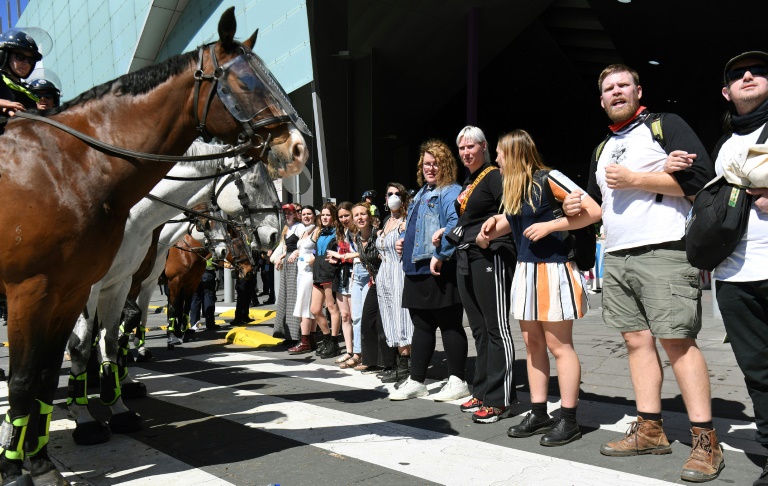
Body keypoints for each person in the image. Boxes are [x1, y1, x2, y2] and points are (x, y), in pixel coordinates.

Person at [568, 64, 721, 482]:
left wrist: (637, 178)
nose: (616, 92)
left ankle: (706, 440)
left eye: (623, 85)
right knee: (636, 342)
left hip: (664, 248)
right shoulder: (603, 147)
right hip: (616, 254)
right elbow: (600, 208)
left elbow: (703, 182)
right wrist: (572, 212)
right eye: (608, 88)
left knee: (677, 342)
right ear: (601, 100)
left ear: (638, 90)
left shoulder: (664, 125)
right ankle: (650, 428)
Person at [477, 130, 601, 446]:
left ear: (515, 153)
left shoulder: (549, 177)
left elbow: (594, 211)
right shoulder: (515, 188)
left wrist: (552, 225)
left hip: (554, 270)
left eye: (501, 154)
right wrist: (491, 227)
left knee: (560, 346)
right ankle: (539, 412)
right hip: (526, 271)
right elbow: (513, 221)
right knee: (533, 345)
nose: (497, 160)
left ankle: (570, 420)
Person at [701, 51, 768, 486]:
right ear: (726, 92)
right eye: (737, 75)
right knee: (758, 371)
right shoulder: (725, 146)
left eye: (759, 71)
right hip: (735, 273)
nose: (748, 75)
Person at [388, 140, 469, 402]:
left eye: (435, 163)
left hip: (438, 267)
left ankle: (458, 380)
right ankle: (417, 380)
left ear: (445, 164)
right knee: (421, 327)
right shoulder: (422, 192)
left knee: (449, 324)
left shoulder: (449, 191)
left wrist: (441, 254)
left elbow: (456, 225)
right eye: (426, 164)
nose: (429, 168)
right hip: (416, 268)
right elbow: (419, 228)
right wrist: (405, 241)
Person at [450, 126, 517, 424]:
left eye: (471, 147)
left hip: (491, 254)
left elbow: (511, 211)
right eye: (462, 148)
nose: (466, 152)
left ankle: (499, 399)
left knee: (495, 327)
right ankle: (482, 390)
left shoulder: (493, 175)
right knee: (478, 328)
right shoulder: (470, 180)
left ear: (484, 147)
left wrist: (487, 234)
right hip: (467, 255)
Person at [375, 183, 414, 384]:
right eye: (389, 193)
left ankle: (405, 364)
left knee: (402, 318)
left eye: (397, 193)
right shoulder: (386, 221)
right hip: (384, 274)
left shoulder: (405, 221)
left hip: (399, 272)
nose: (393, 197)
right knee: (389, 316)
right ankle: (399, 360)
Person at [309, 203, 343, 358]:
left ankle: (334, 342)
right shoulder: (320, 233)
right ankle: (327, 337)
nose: (324, 217)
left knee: (331, 308)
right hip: (317, 274)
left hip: (329, 274)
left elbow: (341, 252)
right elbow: (317, 251)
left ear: (333, 217)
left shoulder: (337, 233)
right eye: (322, 215)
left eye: (327, 215)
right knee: (315, 309)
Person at [326, 202, 356, 366]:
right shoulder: (342, 232)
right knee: (345, 316)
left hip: (354, 276)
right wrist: (336, 259)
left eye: (346, 215)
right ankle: (349, 351)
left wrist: (339, 256)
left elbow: (357, 255)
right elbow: (345, 256)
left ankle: (359, 352)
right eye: (341, 216)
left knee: (355, 317)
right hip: (342, 276)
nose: (344, 219)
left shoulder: (356, 231)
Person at [272, 203, 305, 342]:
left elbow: (304, 245)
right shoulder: (287, 229)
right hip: (287, 262)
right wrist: (281, 257)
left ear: (295, 214)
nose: (287, 215)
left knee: (293, 297)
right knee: (284, 296)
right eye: (285, 213)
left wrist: (295, 254)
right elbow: (287, 248)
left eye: (289, 213)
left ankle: (295, 334)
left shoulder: (300, 227)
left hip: (296, 264)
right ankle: (285, 333)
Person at [287, 206, 318, 354]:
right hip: (301, 271)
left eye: (309, 214)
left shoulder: (316, 230)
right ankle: (310, 340)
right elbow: (303, 247)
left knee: (303, 306)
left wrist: (312, 256)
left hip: (309, 273)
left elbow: (317, 249)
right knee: (307, 306)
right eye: (304, 214)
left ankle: (305, 341)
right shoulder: (305, 231)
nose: (306, 216)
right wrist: (295, 252)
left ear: (314, 215)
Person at [0, 29, 43, 113]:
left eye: (31, 60)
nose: (26, 63)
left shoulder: (29, 92)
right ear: (4, 55)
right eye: (20, 57)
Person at [189, 256, 218, 330]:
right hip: (208, 273)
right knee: (209, 297)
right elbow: (216, 260)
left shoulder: (194, 246)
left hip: (194, 274)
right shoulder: (209, 248)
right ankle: (210, 324)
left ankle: (194, 324)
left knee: (195, 299)